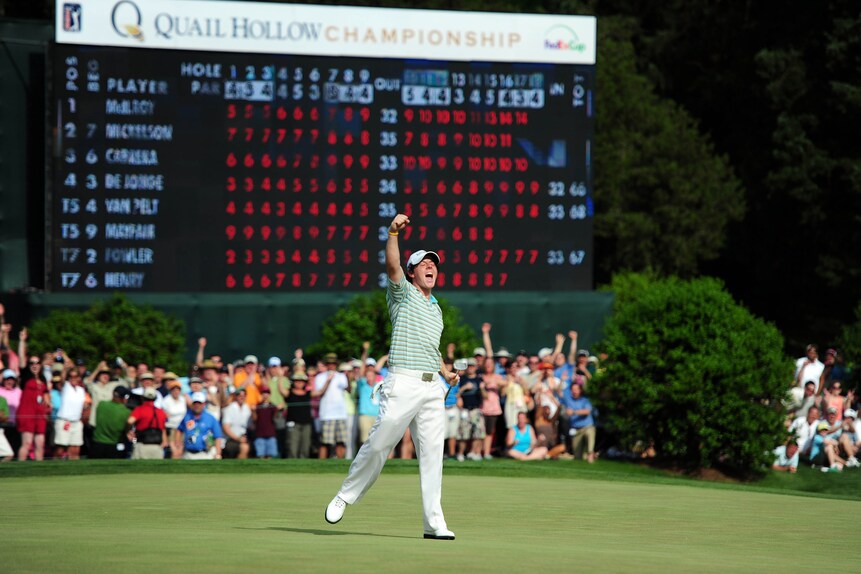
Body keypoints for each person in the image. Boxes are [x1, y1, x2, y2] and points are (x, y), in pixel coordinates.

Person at [326, 213, 459, 540]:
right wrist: (393, 234)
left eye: (435, 264)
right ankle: (345, 495)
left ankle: (434, 524)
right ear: (413, 272)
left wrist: (446, 372)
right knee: (381, 440)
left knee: (433, 457)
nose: (431, 267)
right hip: (403, 382)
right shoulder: (403, 294)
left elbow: (432, 346)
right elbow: (391, 267)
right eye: (424, 264)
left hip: (432, 388)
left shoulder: (436, 308)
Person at [313, 353, 349, 459]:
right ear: (326, 364)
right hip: (326, 414)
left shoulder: (341, 376)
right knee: (324, 442)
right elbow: (320, 392)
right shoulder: (319, 377)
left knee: (341, 441)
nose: (331, 366)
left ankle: (340, 464)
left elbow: (348, 388)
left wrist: (347, 377)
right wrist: (328, 380)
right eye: (329, 363)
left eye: (333, 364)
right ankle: (322, 465)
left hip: (340, 414)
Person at [54, 367, 89, 460]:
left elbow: (85, 406)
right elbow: (62, 379)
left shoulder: (81, 390)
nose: (73, 378)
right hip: (64, 421)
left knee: (75, 449)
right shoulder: (66, 386)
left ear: (79, 377)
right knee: (60, 448)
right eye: (71, 376)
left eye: (76, 376)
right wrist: (65, 368)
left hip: (76, 422)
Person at [177, 392, 223, 460]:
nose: (197, 405)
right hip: (188, 454)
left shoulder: (210, 418)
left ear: (204, 404)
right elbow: (179, 429)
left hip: (205, 454)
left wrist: (218, 454)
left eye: (199, 403)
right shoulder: (187, 416)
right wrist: (178, 443)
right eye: (195, 403)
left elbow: (218, 437)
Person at [90, 386, 131, 459]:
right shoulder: (126, 412)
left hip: (97, 444)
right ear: (124, 398)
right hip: (113, 445)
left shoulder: (101, 404)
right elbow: (126, 429)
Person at [127, 387, 167, 459]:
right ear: (155, 398)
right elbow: (163, 429)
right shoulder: (161, 412)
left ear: (143, 398)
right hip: (157, 447)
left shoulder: (140, 409)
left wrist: (129, 431)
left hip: (142, 445)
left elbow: (130, 421)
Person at [563, 383, 597, 462]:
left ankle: (590, 454)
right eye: (573, 390)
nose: (574, 391)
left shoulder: (585, 400)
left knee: (590, 432)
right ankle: (586, 455)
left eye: (576, 389)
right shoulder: (568, 400)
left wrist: (574, 412)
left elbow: (587, 411)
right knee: (577, 457)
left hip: (587, 427)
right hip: (576, 429)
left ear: (580, 390)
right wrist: (563, 380)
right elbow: (560, 391)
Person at [285, 371, 313, 458]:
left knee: (305, 446)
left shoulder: (308, 393)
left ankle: (303, 466)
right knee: (292, 446)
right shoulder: (289, 392)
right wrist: (280, 377)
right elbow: (281, 389)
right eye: (297, 381)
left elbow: (320, 391)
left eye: (301, 381)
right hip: (293, 423)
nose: (299, 382)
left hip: (306, 423)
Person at [222, 387, 251, 459]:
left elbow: (250, 426)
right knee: (244, 447)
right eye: (239, 396)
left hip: (244, 437)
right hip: (231, 439)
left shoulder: (247, 408)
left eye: (243, 396)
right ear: (236, 396)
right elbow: (226, 428)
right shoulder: (230, 408)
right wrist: (238, 439)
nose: (242, 397)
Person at [161, 378, 187, 458]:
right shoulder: (166, 401)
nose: (176, 391)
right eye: (174, 390)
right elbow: (164, 415)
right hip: (171, 427)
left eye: (178, 389)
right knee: (174, 449)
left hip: (182, 428)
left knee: (180, 448)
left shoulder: (183, 399)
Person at [253, 386, 279, 459]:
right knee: (260, 455)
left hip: (270, 433)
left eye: (267, 393)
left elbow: (276, 418)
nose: (265, 395)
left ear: (269, 395)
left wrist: (278, 410)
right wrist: (253, 411)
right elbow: (255, 419)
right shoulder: (258, 406)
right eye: (264, 393)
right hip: (260, 434)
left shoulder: (273, 406)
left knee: (270, 455)